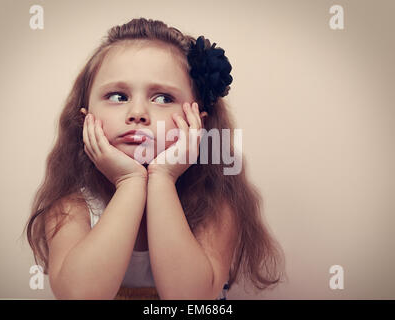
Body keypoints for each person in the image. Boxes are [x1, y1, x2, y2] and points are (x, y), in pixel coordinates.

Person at [24, 17, 285, 300]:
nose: (137, 113)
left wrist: (162, 177)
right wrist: (130, 181)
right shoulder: (72, 206)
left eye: (162, 98)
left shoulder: (215, 205)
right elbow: (80, 295)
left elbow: (191, 300)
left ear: (197, 123)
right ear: (85, 118)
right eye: (117, 96)